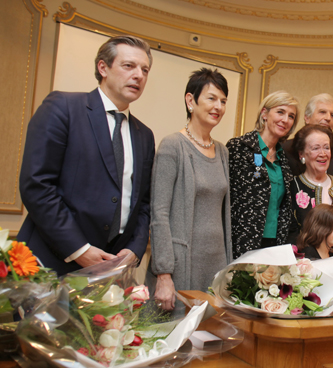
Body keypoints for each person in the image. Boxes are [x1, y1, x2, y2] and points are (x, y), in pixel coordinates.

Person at [18, 36, 155, 275]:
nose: (139, 75)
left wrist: (135, 248)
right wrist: (79, 249)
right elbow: (37, 185)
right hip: (50, 264)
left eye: (145, 70)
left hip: (109, 272)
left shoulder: (145, 135)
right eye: (129, 66)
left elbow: (143, 203)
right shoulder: (63, 107)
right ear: (103, 67)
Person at [148, 69, 231, 311]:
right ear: (190, 100)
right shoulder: (172, 145)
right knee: (175, 340)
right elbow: (159, 213)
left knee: (211, 342)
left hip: (215, 264)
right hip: (181, 266)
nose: (218, 106)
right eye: (211, 98)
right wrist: (163, 274)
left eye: (223, 101)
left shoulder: (222, 152)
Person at [227, 91, 299, 259]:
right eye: (280, 112)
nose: (285, 120)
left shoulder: (286, 159)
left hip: (275, 244)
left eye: (291, 116)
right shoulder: (239, 148)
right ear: (264, 114)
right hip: (242, 242)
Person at [288, 125, 333, 250]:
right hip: (306, 264)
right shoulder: (292, 187)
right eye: (315, 148)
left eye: (326, 148)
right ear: (302, 154)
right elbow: (290, 232)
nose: (323, 154)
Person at [283, 93, 333, 180]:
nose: (328, 118)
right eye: (322, 112)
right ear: (307, 118)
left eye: (332, 115)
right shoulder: (284, 149)